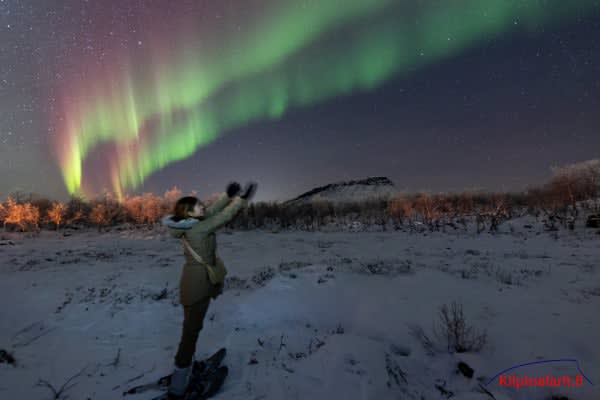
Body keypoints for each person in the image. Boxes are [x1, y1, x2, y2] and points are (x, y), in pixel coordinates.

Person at [160, 181, 258, 398]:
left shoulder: (190, 223)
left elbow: (212, 211)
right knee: (190, 333)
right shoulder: (198, 229)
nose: (203, 207)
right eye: (198, 206)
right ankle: (179, 383)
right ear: (189, 213)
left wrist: (226, 195)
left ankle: (187, 367)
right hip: (198, 284)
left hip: (195, 281)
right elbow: (222, 217)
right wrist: (241, 200)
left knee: (192, 329)